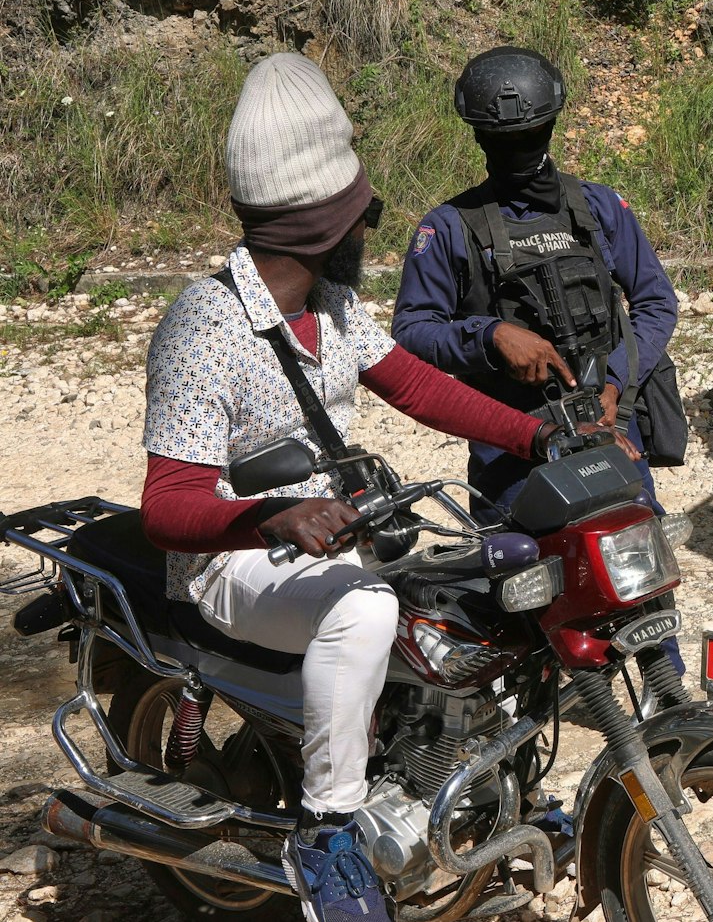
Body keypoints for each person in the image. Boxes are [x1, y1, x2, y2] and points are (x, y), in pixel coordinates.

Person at [140, 54, 631, 921]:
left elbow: (412, 382)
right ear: (325, 224)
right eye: (363, 214)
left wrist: (539, 431)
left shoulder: (330, 302)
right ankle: (327, 831)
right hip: (234, 558)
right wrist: (274, 516)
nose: (372, 229)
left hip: (335, 533)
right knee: (367, 609)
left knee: (487, 594)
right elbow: (167, 506)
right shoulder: (203, 324)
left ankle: (480, 786)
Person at [391, 45, 682, 517]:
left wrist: (614, 385)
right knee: (517, 569)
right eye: (503, 139)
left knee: (638, 561)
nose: (517, 149)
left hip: (608, 422)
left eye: (528, 134)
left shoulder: (599, 207)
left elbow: (655, 302)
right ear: (480, 138)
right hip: (507, 440)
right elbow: (412, 329)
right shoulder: (447, 227)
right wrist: (491, 335)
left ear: (549, 126)